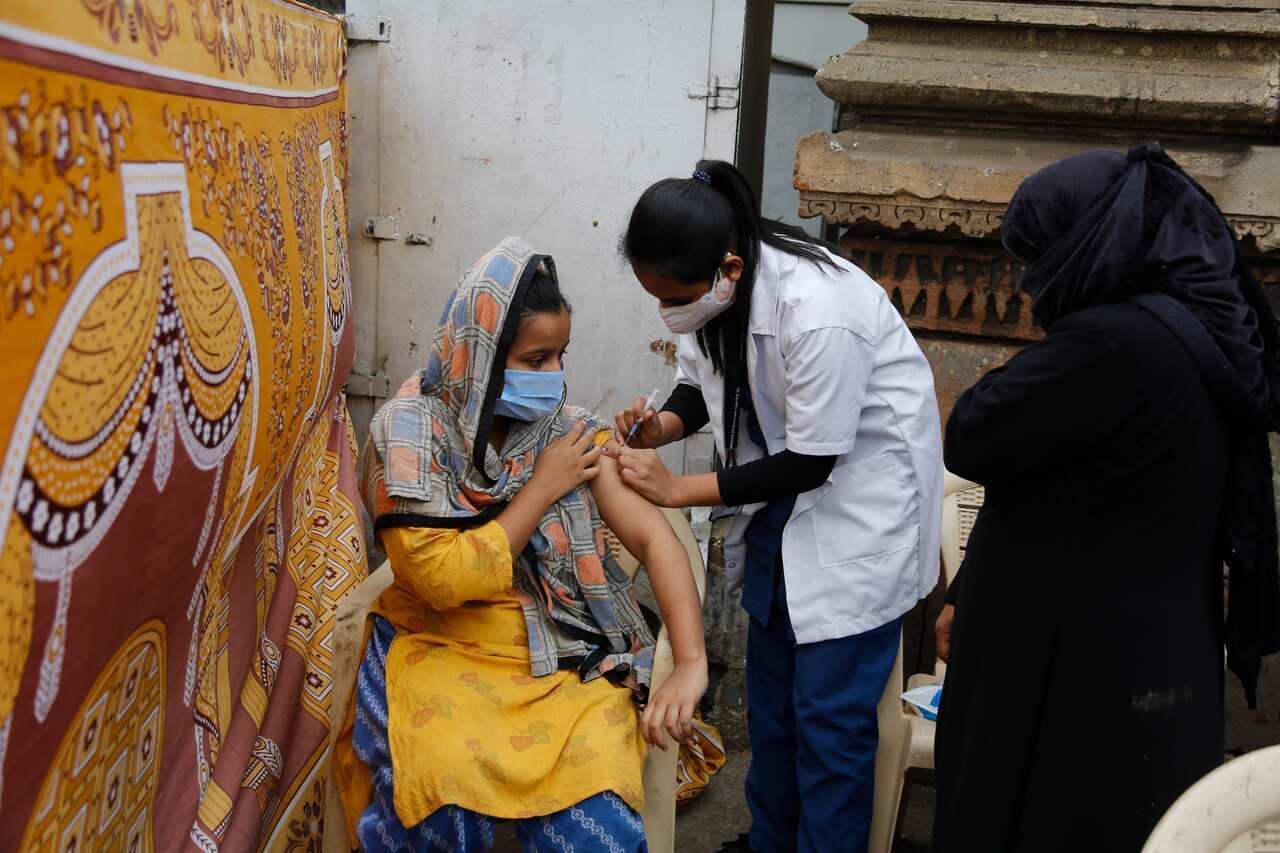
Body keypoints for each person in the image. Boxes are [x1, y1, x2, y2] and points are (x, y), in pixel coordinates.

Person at [933, 144, 1280, 852]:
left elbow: (972, 431)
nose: (1030, 285)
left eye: (1037, 259)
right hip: (1147, 657)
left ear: (1088, 245)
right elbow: (1063, 479)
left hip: (1076, 678)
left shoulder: (1112, 342)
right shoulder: (1188, 328)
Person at [609, 161, 944, 853]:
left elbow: (811, 460)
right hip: (782, 520)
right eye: (654, 295)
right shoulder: (717, 289)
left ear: (729, 267)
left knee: (829, 728)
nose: (667, 309)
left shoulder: (819, 311)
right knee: (774, 716)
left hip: (856, 518)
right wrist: (661, 429)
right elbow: (699, 382)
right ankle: (770, 841)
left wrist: (676, 489)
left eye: (673, 295)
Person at [334, 237, 707, 852]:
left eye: (561, 356)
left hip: (559, 653)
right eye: (536, 360)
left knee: (597, 821)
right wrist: (542, 488)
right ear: (480, 356)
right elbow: (441, 580)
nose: (555, 376)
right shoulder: (411, 432)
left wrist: (691, 661)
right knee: (438, 789)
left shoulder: (566, 431)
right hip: (437, 644)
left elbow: (654, 539)